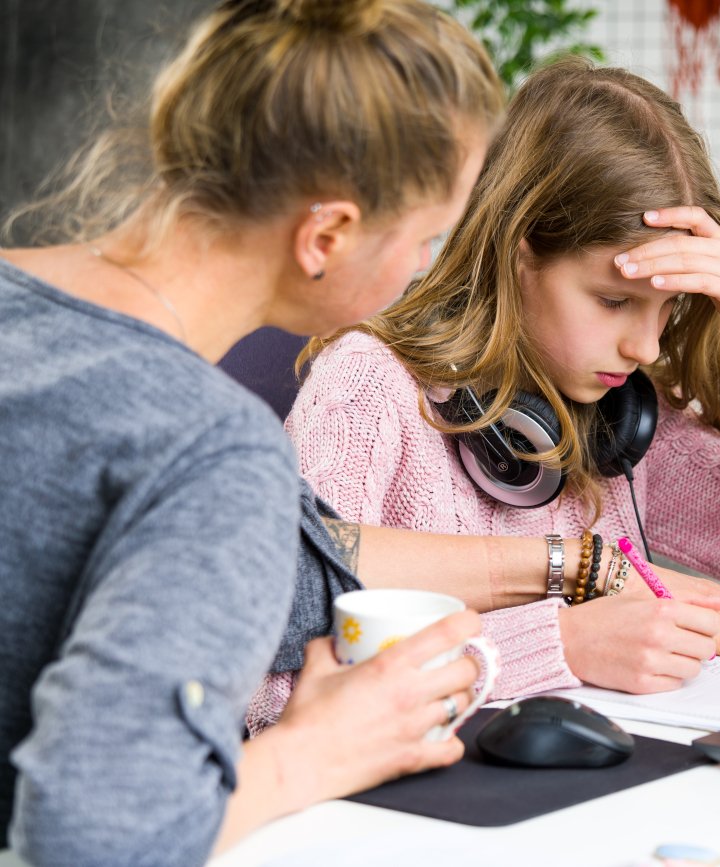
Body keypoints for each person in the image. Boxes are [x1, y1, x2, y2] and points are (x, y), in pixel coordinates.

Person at [0, 0, 501, 862]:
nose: (426, 267)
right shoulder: (210, 448)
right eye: (427, 238)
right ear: (328, 235)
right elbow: (92, 839)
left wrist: (556, 573)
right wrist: (316, 751)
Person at [272, 57, 720, 708]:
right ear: (520, 249)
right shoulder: (369, 387)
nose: (644, 346)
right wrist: (559, 642)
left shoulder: (615, 415)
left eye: (667, 308)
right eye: (613, 301)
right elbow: (281, 695)